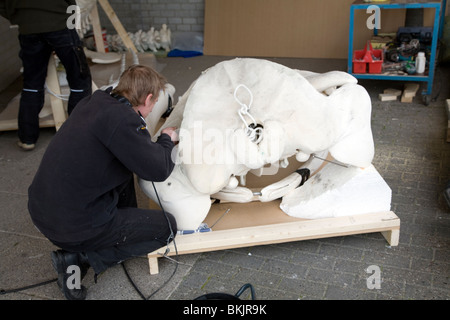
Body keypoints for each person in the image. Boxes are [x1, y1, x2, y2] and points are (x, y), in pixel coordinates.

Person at [28, 64, 179, 300]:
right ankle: (80, 259)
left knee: (122, 167)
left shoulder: (95, 102)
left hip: (42, 211)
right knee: (167, 227)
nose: (151, 110)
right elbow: (158, 169)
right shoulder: (124, 121)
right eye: (154, 103)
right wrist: (167, 140)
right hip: (73, 225)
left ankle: (105, 234)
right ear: (149, 98)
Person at [0, 0, 92, 151]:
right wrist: (69, 22)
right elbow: (71, 2)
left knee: (32, 84)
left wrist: (21, 19)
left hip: (28, 29)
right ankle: (79, 135)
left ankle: (27, 138)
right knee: (79, 81)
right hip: (60, 25)